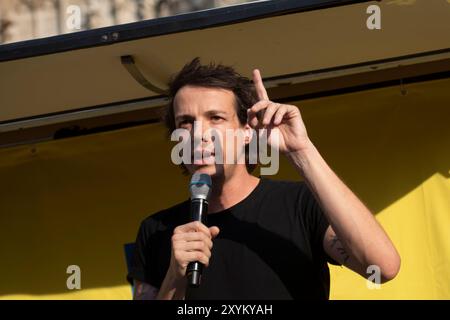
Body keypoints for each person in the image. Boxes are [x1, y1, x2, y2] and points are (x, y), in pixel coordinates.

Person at [127, 58, 400, 300]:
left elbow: (382, 268)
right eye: (185, 121)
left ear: (247, 131)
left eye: (216, 117)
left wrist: (301, 151)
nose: (198, 133)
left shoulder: (299, 204)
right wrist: (175, 277)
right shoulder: (156, 230)